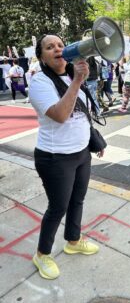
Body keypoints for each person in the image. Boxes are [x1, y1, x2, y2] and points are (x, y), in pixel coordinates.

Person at [29, 34, 103, 280]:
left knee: (77, 200)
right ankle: (42, 255)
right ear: (42, 57)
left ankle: (73, 240)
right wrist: (77, 81)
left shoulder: (72, 75)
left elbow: (81, 114)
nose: (57, 49)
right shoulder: (40, 82)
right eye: (50, 47)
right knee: (58, 207)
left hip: (81, 153)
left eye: (60, 45)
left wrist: (93, 140)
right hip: (55, 158)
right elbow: (60, 114)